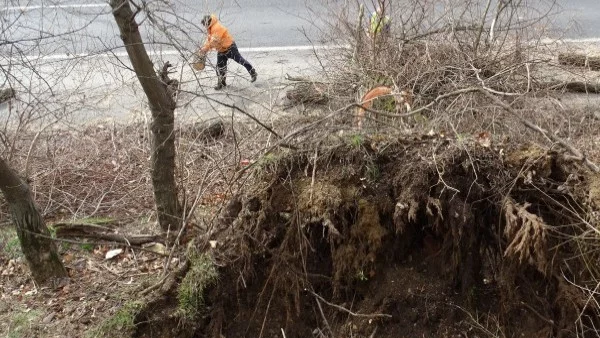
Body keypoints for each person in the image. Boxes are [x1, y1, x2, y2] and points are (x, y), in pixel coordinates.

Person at [199, 14, 257, 90]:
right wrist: (203, 48)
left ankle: (252, 72)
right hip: (221, 50)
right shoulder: (210, 28)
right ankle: (222, 83)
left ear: (208, 22)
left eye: (204, 24)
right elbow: (209, 40)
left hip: (230, 47)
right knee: (220, 67)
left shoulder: (217, 27)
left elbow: (214, 41)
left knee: (240, 60)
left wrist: (206, 49)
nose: (204, 26)